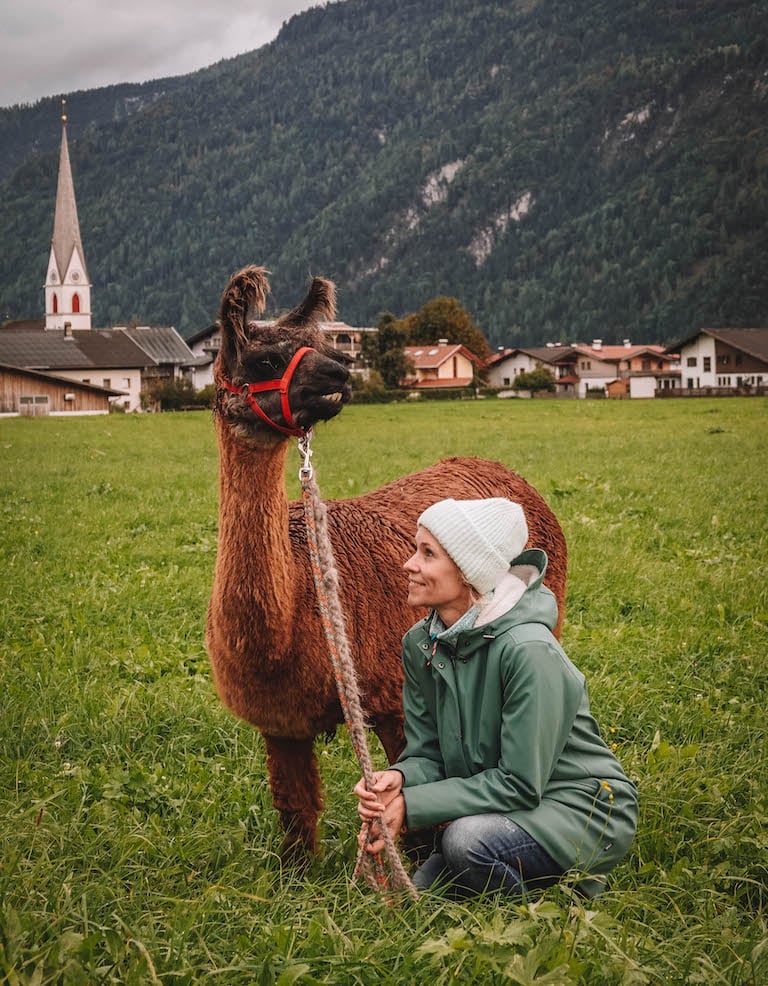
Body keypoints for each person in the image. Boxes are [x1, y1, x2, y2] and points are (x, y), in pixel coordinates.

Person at [354, 497, 638, 899]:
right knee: (423, 895)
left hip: (583, 809)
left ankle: (540, 919)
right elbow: (429, 753)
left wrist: (411, 806)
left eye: (427, 553)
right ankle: (525, 876)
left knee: (464, 841)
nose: (409, 564)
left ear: (469, 571)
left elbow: (520, 783)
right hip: (507, 806)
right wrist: (398, 780)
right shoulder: (420, 643)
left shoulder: (529, 650)